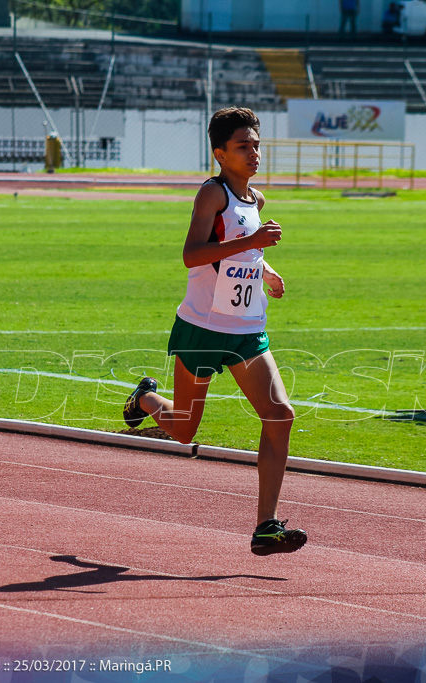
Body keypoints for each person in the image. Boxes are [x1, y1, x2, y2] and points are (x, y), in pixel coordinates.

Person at [123, 107, 307, 557]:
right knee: (185, 430)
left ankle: (266, 525)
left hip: (246, 330)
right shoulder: (212, 194)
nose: (254, 153)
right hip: (203, 328)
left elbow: (241, 253)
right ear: (220, 153)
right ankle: (146, 397)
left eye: (257, 145)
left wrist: (266, 271)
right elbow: (193, 254)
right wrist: (253, 244)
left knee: (280, 415)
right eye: (243, 146)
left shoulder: (255, 201)